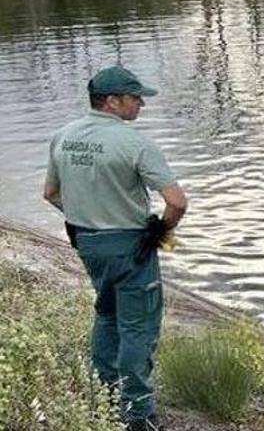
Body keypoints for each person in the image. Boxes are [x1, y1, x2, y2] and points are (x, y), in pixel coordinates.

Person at [43, 66, 188, 431]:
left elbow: (50, 194)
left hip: (87, 244)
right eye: (134, 96)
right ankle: (138, 415)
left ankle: (104, 397)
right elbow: (177, 201)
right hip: (130, 247)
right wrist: (160, 231)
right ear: (111, 101)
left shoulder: (63, 136)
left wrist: (87, 216)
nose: (141, 102)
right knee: (138, 328)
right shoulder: (134, 143)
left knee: (107, 312)